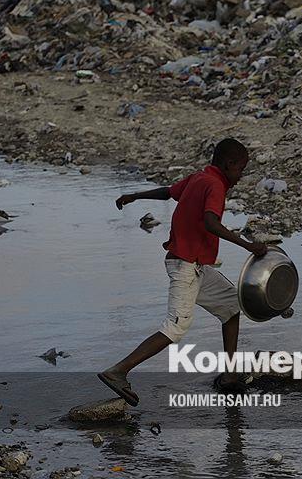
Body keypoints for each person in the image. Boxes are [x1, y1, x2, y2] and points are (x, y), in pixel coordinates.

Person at [98, 138, 268, 405]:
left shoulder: (200, 177)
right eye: (241, 169)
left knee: (231, 307)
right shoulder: (215, 185)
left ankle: (230, 376)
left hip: (195, 266)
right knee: (176, 328)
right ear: (229, 164)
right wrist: (248, 246)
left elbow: (168, 192)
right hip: (185, 266)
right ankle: (118, 371)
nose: (241, 176)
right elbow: (211, 222)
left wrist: (135, 196)